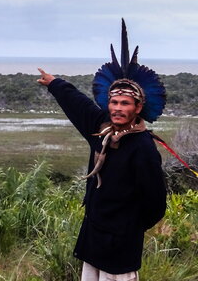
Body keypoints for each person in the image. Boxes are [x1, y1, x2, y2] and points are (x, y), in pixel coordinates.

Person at [36, 20, 167, 281]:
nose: (118, 108)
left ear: (138, 108)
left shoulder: (143, 147)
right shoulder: (100, 129)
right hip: (94, 235)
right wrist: (55, 84)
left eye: (125, 103)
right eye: (114, 102)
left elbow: (155, 202)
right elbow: (79, 105)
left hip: (122, 243)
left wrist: (129, 226)